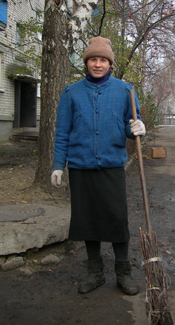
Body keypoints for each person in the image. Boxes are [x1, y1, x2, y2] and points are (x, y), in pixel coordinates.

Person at [51, 36, 146, 296]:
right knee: (87, 221)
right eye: (93, 59)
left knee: (117, 219)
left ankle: (123, 273)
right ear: (86, 62)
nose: (97, 64)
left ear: (110, 64)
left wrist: (139, 128)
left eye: (103, 60)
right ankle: (94, 272)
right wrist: (58, 164)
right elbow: (62, 133)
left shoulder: (125, 90)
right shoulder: (71, 93)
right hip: (80, 167)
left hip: (112, 166)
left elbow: (132, 127)